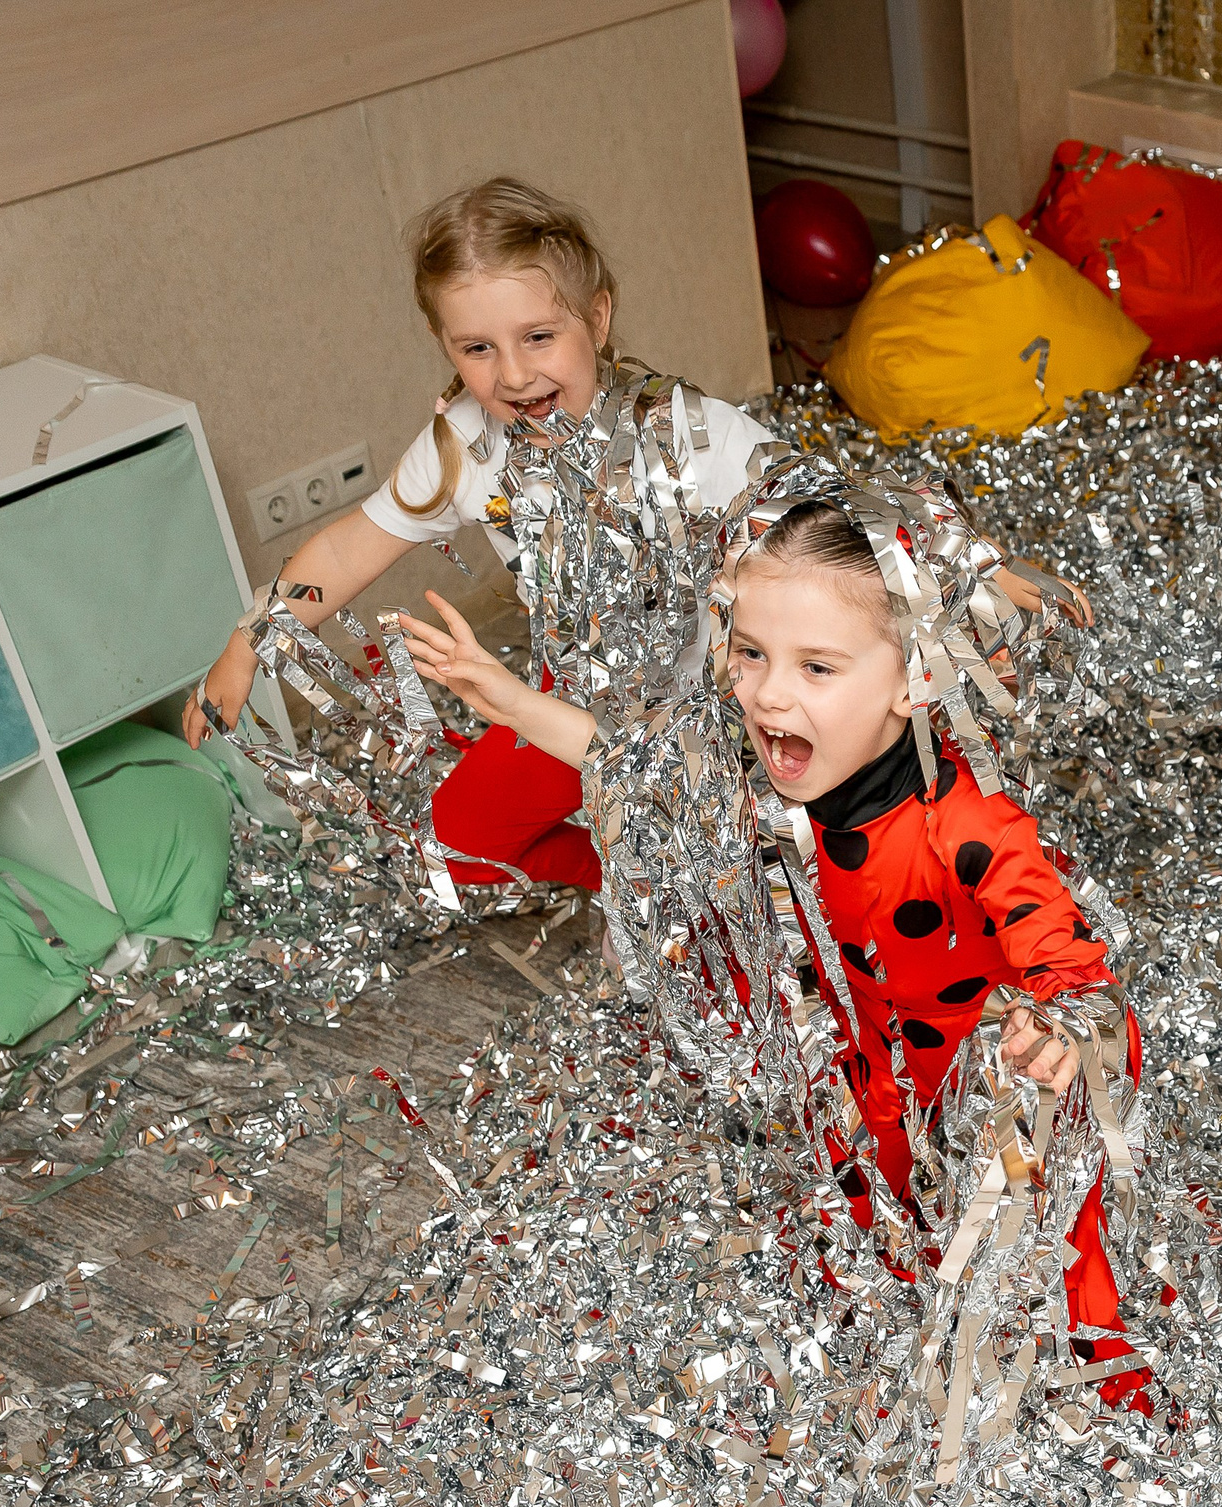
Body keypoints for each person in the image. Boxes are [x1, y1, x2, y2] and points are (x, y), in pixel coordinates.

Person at [392, 480, 1154, 1411]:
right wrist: (503, 697)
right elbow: (629, 762)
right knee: (883, 1268)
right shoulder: (763, 784)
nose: (768, 693)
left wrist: (1062, 1031)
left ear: (917, 675)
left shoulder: (966, 823)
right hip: (872, 1088)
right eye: (750, 653)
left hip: (998, 1096)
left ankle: (1114, 1403)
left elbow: (1070, 962)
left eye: (817, 668)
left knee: (1051, 1291)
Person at [182, 177, 779, 890]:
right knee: (460, 845)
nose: (516, 374)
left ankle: (719, 878)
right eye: (478, 348)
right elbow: (346, 548)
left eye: (538, 336)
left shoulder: (688, 431)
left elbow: (813, 543)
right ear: (445, 345)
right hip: (582, 697)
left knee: (762, 877)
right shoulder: (462, 445)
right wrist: (246, 643)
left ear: (597, 316)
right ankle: (644, 883)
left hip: (730, 693)